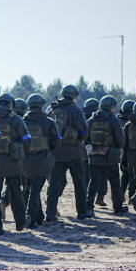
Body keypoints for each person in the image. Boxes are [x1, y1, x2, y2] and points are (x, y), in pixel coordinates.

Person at [46, 85, 89, 221]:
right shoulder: (75, 110)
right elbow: (83, 131)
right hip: (73, 151)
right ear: (74, 96)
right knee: (79, 182)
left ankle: (50, 213)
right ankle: (82, 212)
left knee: (54, 183)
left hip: (56, 152)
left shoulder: (53, 110)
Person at [0, 93, 30, 233]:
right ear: (11, 104)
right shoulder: (16, 119)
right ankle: (20, 222)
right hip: (12, 161)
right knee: (15, 192)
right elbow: (26, 139)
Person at [22, 93, 60, 228]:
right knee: (36, 189)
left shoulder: (22, 121)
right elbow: (56, 141)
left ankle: (38, 217)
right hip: (42, 160)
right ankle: (30, 217)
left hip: (25, 161)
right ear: (42, 105)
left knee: (30, 187)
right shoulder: (49, 122)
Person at [85, 95, 126, 216]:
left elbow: (85, 137)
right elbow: (120, 139)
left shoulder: (91, 120)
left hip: (94, 156)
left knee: (93, 183)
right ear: (112, 107)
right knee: (114, 183)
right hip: (110, 157)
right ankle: (117, 208)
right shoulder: (114, 120)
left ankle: (89, 207)